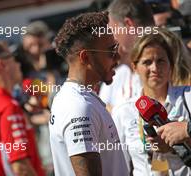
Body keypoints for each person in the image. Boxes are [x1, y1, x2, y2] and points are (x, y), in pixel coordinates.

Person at [49, 11, 128, 176]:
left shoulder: (78, 98)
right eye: (111, 50)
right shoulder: (78, 106)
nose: (117, 57)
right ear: (85, 57)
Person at [112, 29, 191, 175]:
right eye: (147, 62)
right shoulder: (124, 111)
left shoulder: (188, 97)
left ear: (171, 65)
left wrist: (185, 134)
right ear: (134, 67)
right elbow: (119, 168)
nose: (155, 68)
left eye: (160, 61)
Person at [0, 42, 44, 176]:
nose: (18, 65)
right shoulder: (7, 106)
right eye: (14, 59)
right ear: (2, 64)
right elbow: (21, 168)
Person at [99, 0, 155, 112]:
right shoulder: (119, 74)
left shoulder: (173, 61)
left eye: (112, 30)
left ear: (129, 24)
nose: (112, 38)